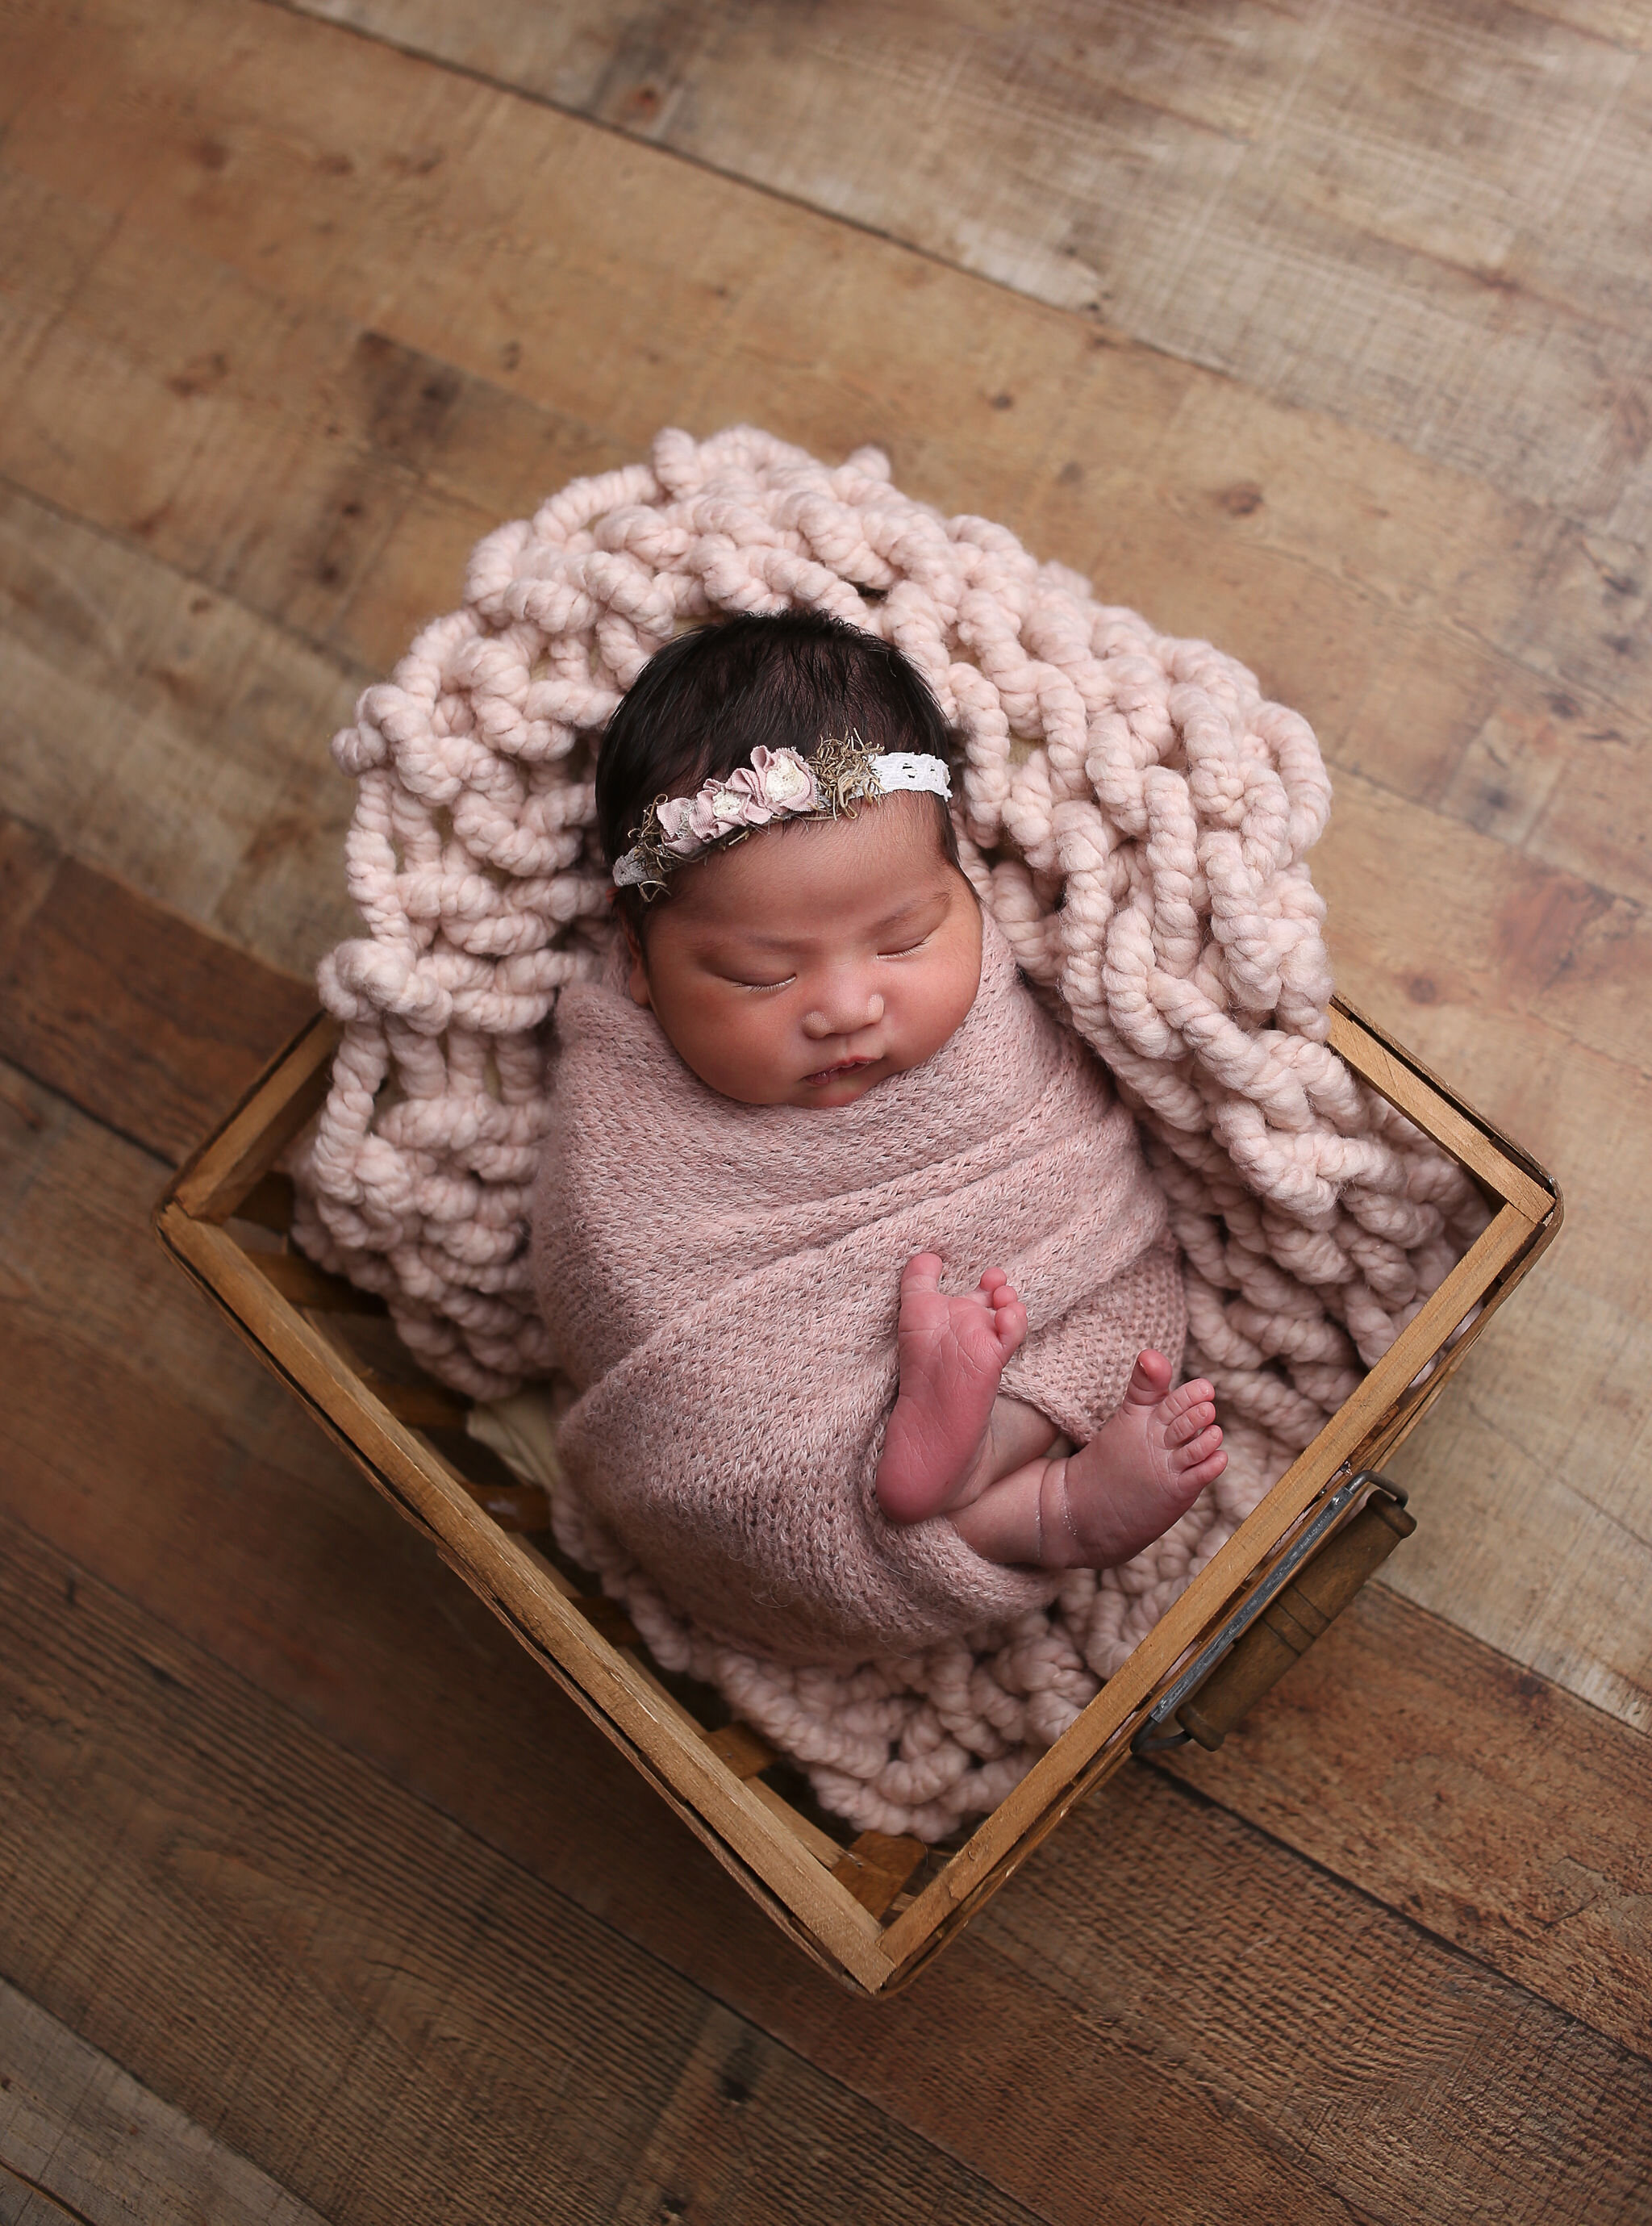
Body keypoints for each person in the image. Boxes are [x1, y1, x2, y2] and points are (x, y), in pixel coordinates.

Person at [532, 608, 1223, 1629]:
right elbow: (608, 1260)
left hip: (1013, 1304)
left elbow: (1073, 1171)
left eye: (903, 940)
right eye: (759, 973)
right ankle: (1017, 1505)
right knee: (728, 1432)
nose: (846, 1007)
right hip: (754, 1431)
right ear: (636, 961)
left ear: (961, 884)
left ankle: (1016, 1478)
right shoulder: (622, 1106)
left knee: (1107, 1306)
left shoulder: (993, 991)